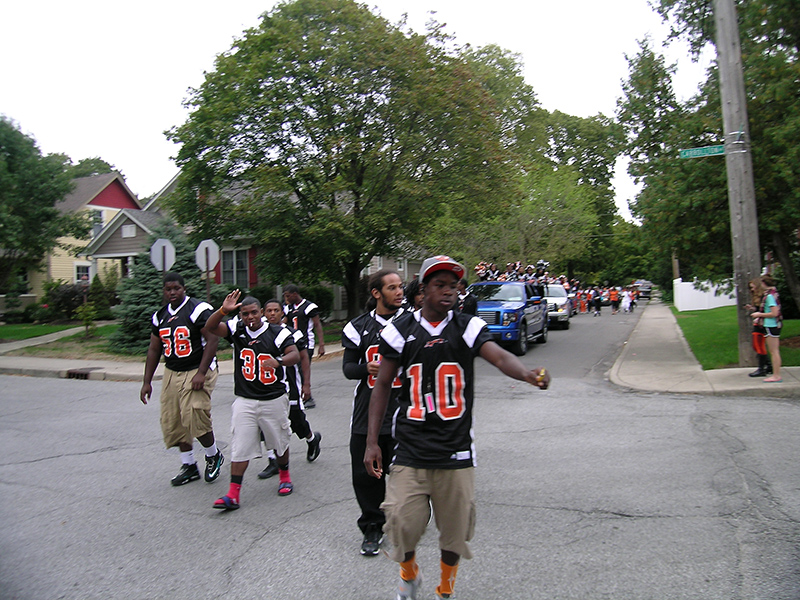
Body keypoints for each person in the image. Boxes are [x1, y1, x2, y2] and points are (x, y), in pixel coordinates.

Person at [364, 255, 550, 600]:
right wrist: (372, 441)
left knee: (454, 534)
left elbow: (497, 355)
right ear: (423, 290)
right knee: (401, 525)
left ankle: (445, 588)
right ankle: (409, 575)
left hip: (456, 449)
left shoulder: (467, 326)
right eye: (440, 285)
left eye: (454, 285)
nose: (449, 291)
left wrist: (525, 373)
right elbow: (383, 385)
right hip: (411, 447)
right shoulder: (399, 330)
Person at [204, 291, 301, 509]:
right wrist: (222, 311)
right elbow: (210, 327)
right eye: (245, 314)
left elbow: (294, 353)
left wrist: (279, 361)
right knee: (240, 444)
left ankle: (284, 476)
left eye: (254, 313)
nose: (250, 318)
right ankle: (232, 494)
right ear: (241, 315)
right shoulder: (236, 329)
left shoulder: (277, 332)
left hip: (273, 397)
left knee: (279, 440)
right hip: (245, 398)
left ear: (261, 313)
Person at [342, 269, 405, 556]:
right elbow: (347, 368)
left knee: (408, 470)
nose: (399, 292)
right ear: (377, 293)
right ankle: (372, 526)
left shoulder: (412, 323)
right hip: (368, 411)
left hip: (405, 409)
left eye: (400, 286)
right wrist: (365, 368)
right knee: (366, 475)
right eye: (392, 287)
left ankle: (410, 516)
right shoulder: (358, 327)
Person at [140, 272, 224, 487]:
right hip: (172, 370)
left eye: (176, 288)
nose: (172, 292)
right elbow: (154, 349)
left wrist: (201, 373)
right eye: (168, 289)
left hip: (197, 367)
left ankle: (213, 455)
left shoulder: (197, 309)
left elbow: (213, 340)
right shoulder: (160, 316)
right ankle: (188, 466)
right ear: (164, 291)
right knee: (173, 419)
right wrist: (146, 381)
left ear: (184, 289)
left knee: (195, 412)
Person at [258, 299, 322, 479]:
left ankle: (311, 439)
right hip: (268, 387)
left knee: (297, 419)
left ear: (282, 314)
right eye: (269, 310)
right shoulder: (259, 333)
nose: (272, 314)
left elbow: (304, 360)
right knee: (267, 422)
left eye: (276, 310)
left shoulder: (293, 334)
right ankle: (273, 461)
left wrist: (306, 384)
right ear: (264, 313)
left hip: (290, 384)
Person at [283, 284, 325, 408]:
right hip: (293, 344)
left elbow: (317, 324)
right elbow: (284, 322)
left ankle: (308, 396)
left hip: (307, 343)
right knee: (292, 371)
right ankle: (296, 395)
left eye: (288, 296)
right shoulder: (288, 308)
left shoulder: (309, 307)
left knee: (302, 370)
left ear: (295, 294)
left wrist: (321, 344)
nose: (286, 299)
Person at [750, 274, 783, 383]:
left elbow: (774, 313)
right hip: (772, 325)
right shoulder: (774, 293)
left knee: (774, 351)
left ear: (764, 284)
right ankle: (775, 373)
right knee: (774, 351)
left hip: (771, 325)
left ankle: (776, 375)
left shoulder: (769, 296)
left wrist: (760, 314)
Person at [745, 278, 773, 378]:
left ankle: (762, 369)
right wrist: (752, 309)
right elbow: (759, 309)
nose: (752, 289)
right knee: (757, 345)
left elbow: (769, 311)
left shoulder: (765, 297)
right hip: (759, 322)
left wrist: (758, 314)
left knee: (758, 345)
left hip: (762, 323)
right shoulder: (758, 297)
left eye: (753, 287)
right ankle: (768, 366)